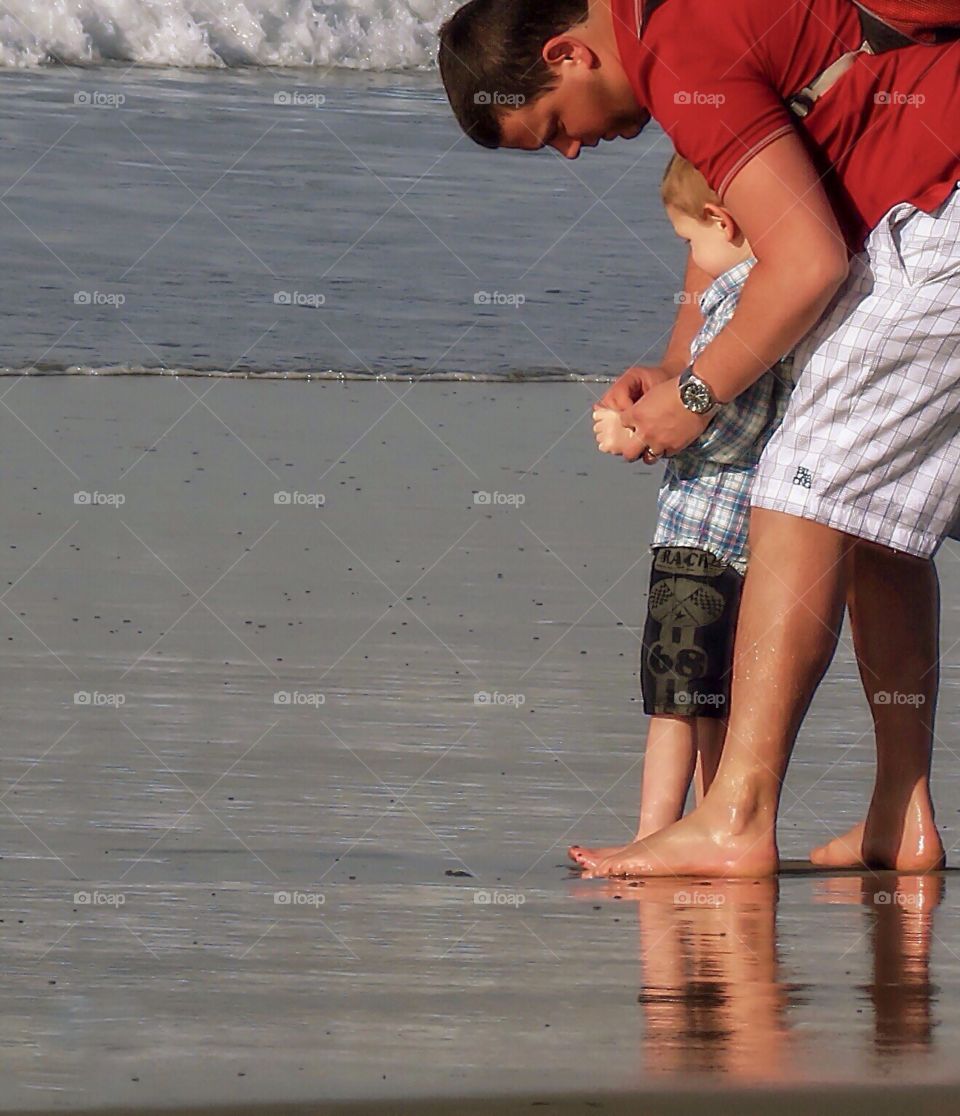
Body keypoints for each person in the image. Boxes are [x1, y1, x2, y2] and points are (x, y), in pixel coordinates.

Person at [438, 0, 960, 875]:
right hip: (930, 191)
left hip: (941, 206)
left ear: (567, 54)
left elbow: (808, 261)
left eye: (555, 128)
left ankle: (736, 818)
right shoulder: (670, 29)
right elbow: (739, 216)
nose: (573, 151)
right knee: (876, 517)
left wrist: (695, 396)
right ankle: (900, 821)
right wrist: (680, 363)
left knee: (801, 491)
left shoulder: (676, 46)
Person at [579, 152, 794, 865]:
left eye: (689, 241)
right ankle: (693, 828)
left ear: (720, 222)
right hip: (719, 530)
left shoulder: (742, 303)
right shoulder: (768, 295)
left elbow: (740, 420)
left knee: (682, 693)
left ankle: (664, 834)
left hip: (708, 534)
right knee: (699, 694)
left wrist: (646, 431)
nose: (690, 261)